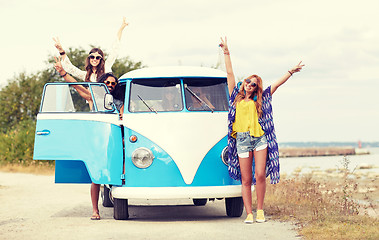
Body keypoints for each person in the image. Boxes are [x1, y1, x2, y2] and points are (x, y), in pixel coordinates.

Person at [219, 37, 304, 223]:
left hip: (259, 139)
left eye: (254, 84)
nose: (250, 84)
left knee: (259, 175)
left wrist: (291, 71)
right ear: (244, 82)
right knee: (246, 179)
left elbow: (277, 84)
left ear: (257, 87)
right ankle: (249, 213)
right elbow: (230, 72)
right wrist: (226, 52)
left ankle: (260, 211)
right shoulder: (235, 96)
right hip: (241, 140)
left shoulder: (262, 99)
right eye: (248, 81)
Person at [54, 57, 124, 220]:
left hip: (115, 140)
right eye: (107, 83)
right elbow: (77, 86)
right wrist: (63, 72)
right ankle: (95, 210)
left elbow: (122, 116)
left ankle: (120, 199)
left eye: (113, 84)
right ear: (102, 84)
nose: (110, 86)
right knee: (96, 177)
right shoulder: (95, 98)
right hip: (98, 140)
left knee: (121, 171)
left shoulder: (120, 101)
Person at [53, 17, 128, 82]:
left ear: (101, 59)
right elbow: (71, 68)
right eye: (92, 57)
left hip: (106, 98)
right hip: (90, 99)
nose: (95, 59)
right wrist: (61, 51)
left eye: (97, 57)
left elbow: (115, 50)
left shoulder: (106, 68)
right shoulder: (86, 75)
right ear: (89, 58)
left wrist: (121, 29)